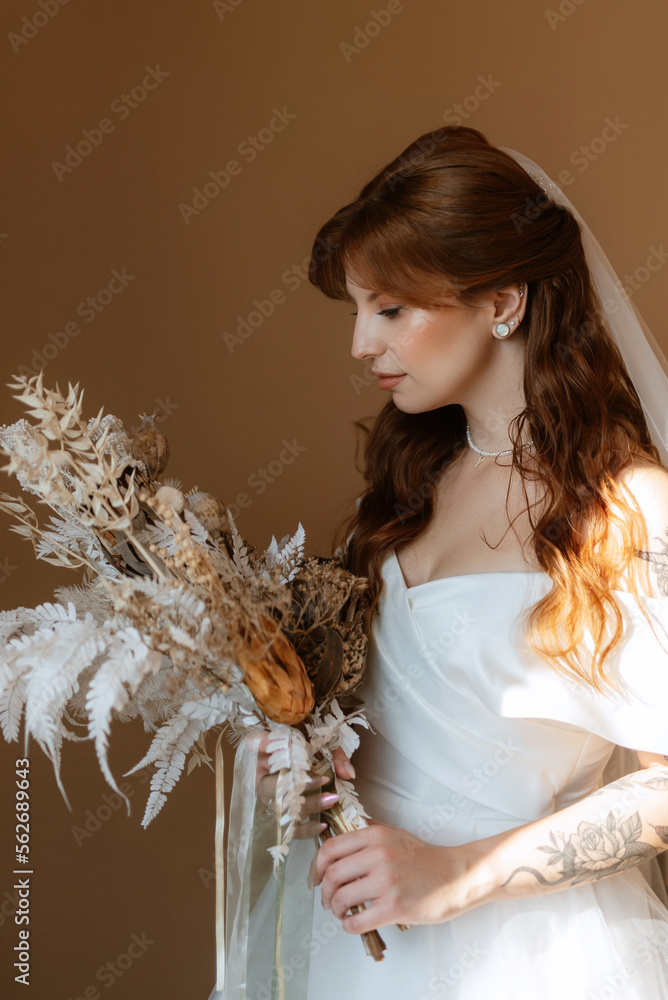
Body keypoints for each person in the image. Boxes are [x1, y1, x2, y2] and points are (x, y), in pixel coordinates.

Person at [295, 125, 668, 998]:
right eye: (357, 310)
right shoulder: (409, 484)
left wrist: (457, 873)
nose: (360, 344)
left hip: (532, 956)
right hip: (360, 932)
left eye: (390, 309)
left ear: (503, 301)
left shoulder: (627, 506)